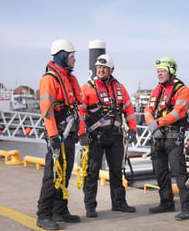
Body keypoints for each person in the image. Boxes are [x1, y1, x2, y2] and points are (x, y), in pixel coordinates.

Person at [79, 54, 138, 218]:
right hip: (95, 138)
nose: (100, 70)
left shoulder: (120, 88)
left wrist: (132, 129)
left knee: (117, 171)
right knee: (92, 172)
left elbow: (129, 109)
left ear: (111, 70)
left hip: (116, 137)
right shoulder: (87, 87)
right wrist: (81, 133)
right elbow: (80, 112)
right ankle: (90, 206)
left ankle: (119, 203)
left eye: (104, 68)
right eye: (98, 67)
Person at [36, 39, 85, 230]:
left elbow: (79, 108)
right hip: (58, 136)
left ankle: (60, 210)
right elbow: (47, 111)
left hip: (70, 135)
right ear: (63, 56)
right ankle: (43, 215)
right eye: (72, 56)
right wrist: (53, 136)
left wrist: (81, 133)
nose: (74, 60)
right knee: (52, 175)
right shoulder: (49, 80)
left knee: (64, 175)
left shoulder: (71, 79)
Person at [144, 57, 189, 221]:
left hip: (174, 139)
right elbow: (147, 109)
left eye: (163, 70)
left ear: (171, 71)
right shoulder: (156, 90)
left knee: (181, 173)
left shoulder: (182, 90)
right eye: (158, 71)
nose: (159, 74)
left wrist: (157, 123)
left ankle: (188, 208)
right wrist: (151, 123)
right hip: (158, 138)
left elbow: (178, 112)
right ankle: (166, 202)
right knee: (160, 173)